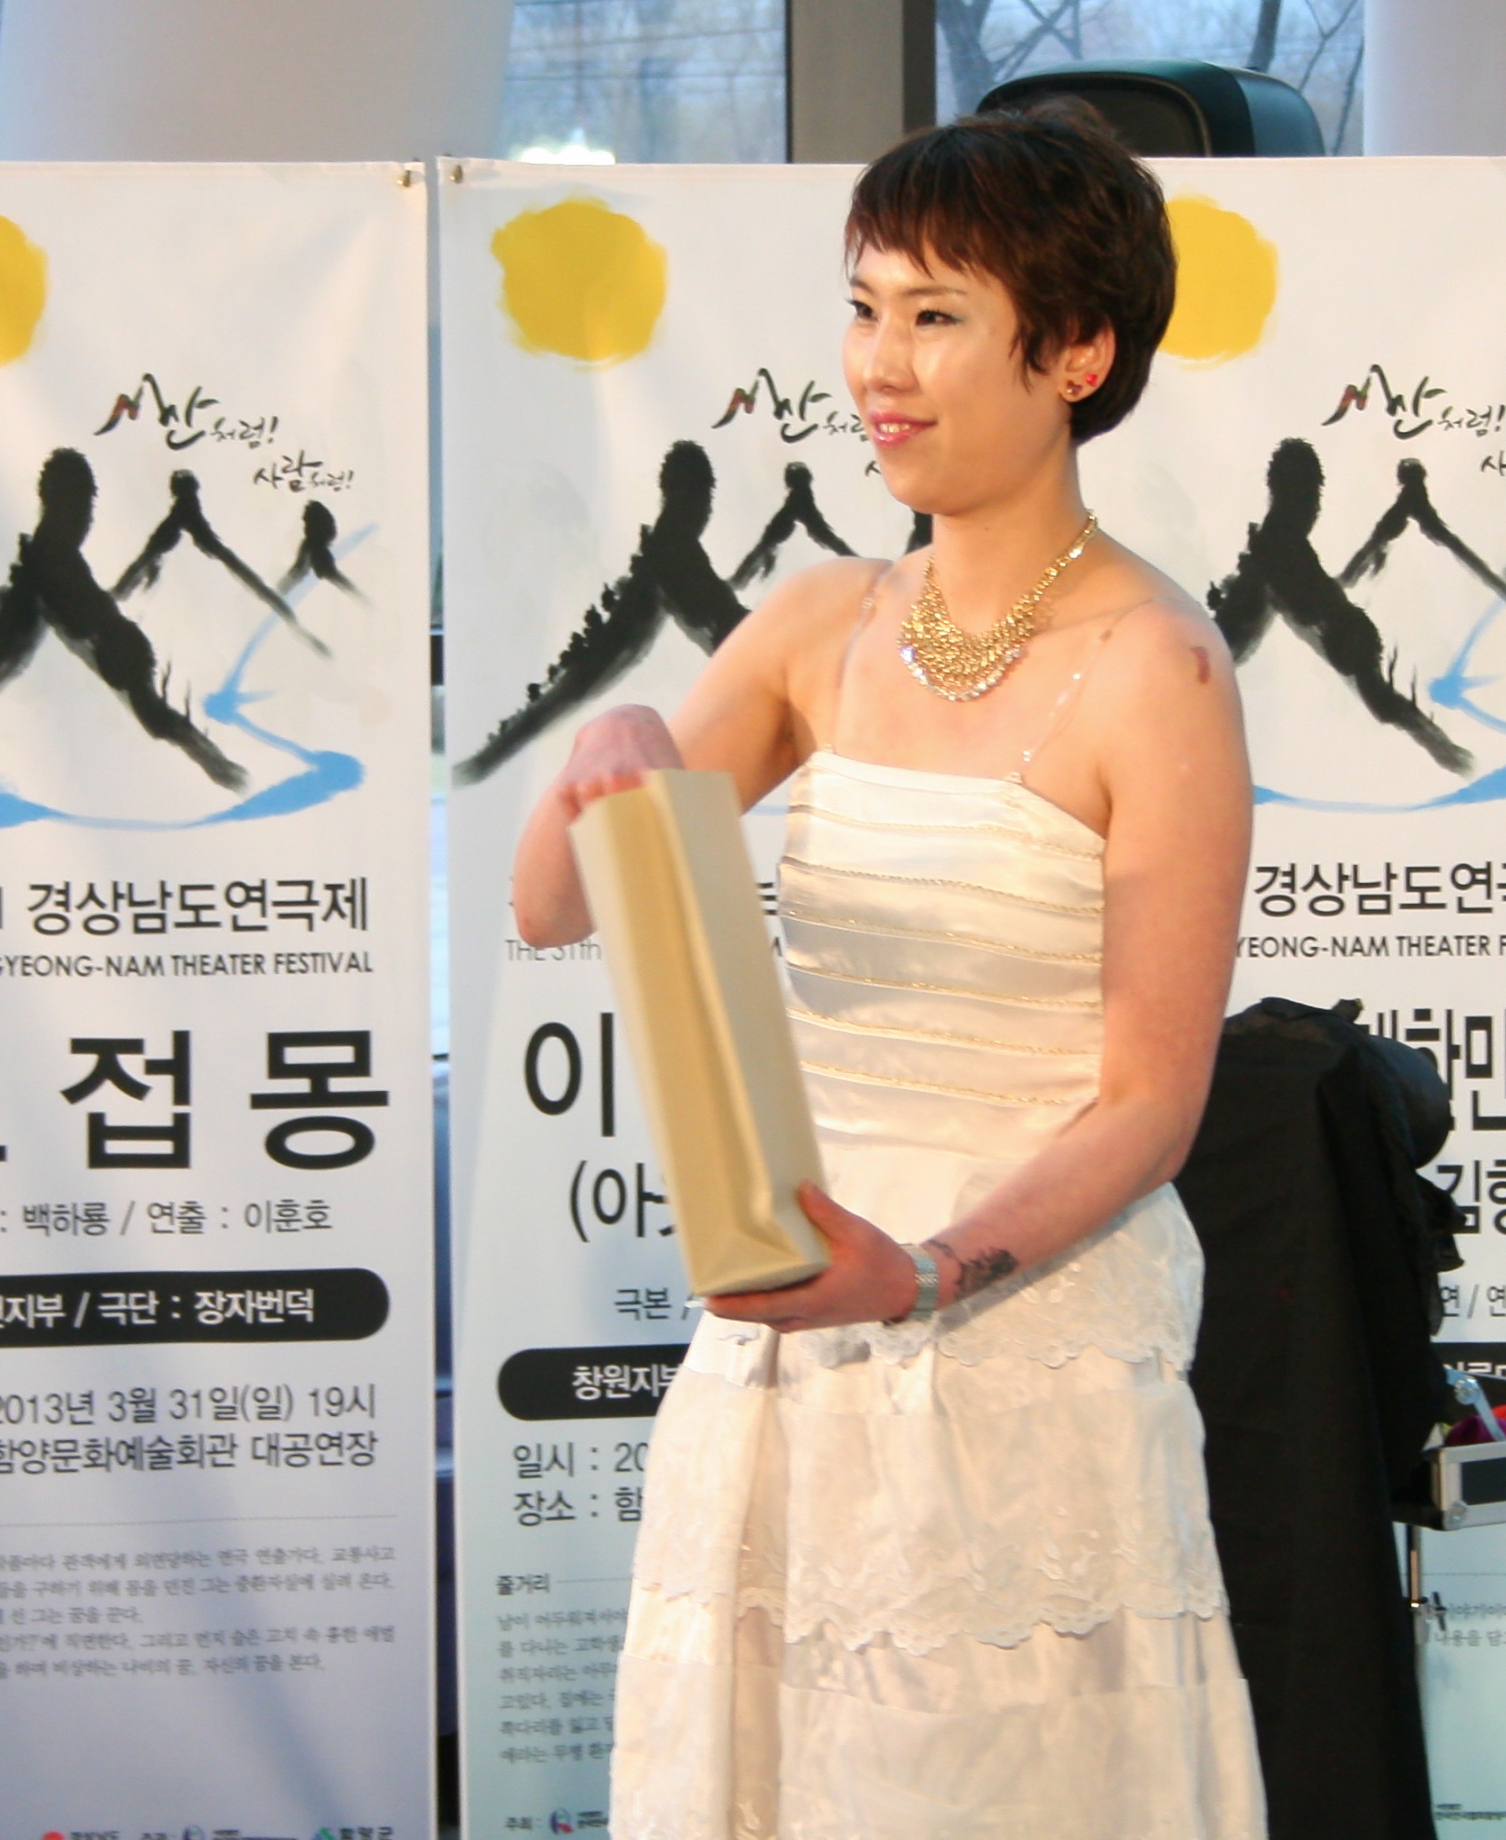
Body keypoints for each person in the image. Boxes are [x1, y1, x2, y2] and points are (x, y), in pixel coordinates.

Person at [508, 104, 1263, 1838]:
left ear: (1076, 353)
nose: (879, 366)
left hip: (1017, 1343)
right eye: (864, 308)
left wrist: (919, 1274)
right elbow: (553, 905)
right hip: (790, 1317)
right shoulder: (820, 625)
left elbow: (1151, 1101)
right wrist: (607, 751)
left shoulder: (1159, 665)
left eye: (935, 316)